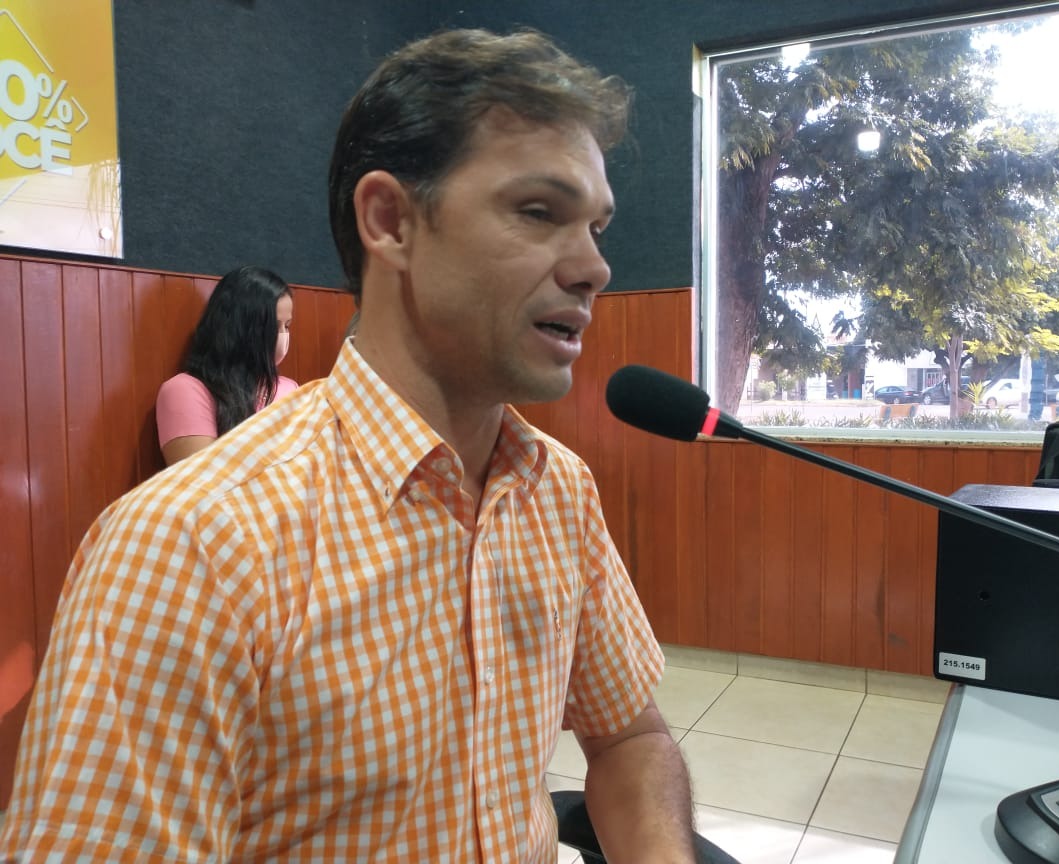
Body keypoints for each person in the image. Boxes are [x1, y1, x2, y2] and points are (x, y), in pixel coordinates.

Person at [0, 28, 699, 863]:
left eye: (597, 227)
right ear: (390, 220)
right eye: (540, 212)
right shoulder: (189, 547)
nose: (594, 268)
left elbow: (629, 738)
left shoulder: (560, 491)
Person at [155, 265, 298, 466]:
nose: (282, 336)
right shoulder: (185, 391)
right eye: (273, 327)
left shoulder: (290, 388)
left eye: (287, 326)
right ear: (241, 328)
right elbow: (200, 478)